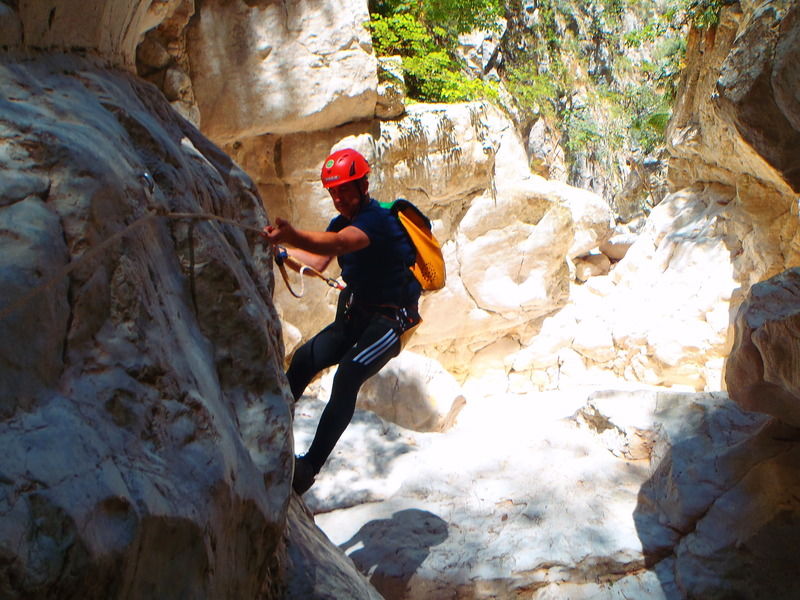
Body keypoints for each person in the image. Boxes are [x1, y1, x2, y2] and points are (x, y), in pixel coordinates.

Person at [262, 148, 422, 494]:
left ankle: (308, 468)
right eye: (333, 192)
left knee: (348, 372)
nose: (339, 199)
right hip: (356, 313)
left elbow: (337, 243)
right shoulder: (342, 222)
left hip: (389, 322)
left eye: (345, 190)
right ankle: (271, 434)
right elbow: (318, 262)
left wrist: (291, 235)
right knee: (304, 359)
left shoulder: (378, 221)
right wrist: (283, 252)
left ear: (364, 185)